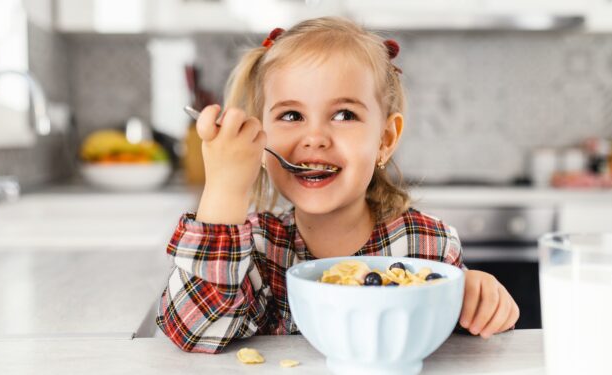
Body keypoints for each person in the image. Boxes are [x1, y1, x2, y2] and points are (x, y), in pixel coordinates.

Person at [156, 17, 519, 354]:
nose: (315, 138)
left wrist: (478, 300)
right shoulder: (255, 250)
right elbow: (196, 331)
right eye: (291, 115)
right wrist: (224, 190)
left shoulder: (427, 245)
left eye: (344, 115)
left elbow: (462, 344)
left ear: (385, 138)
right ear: (260, 139)